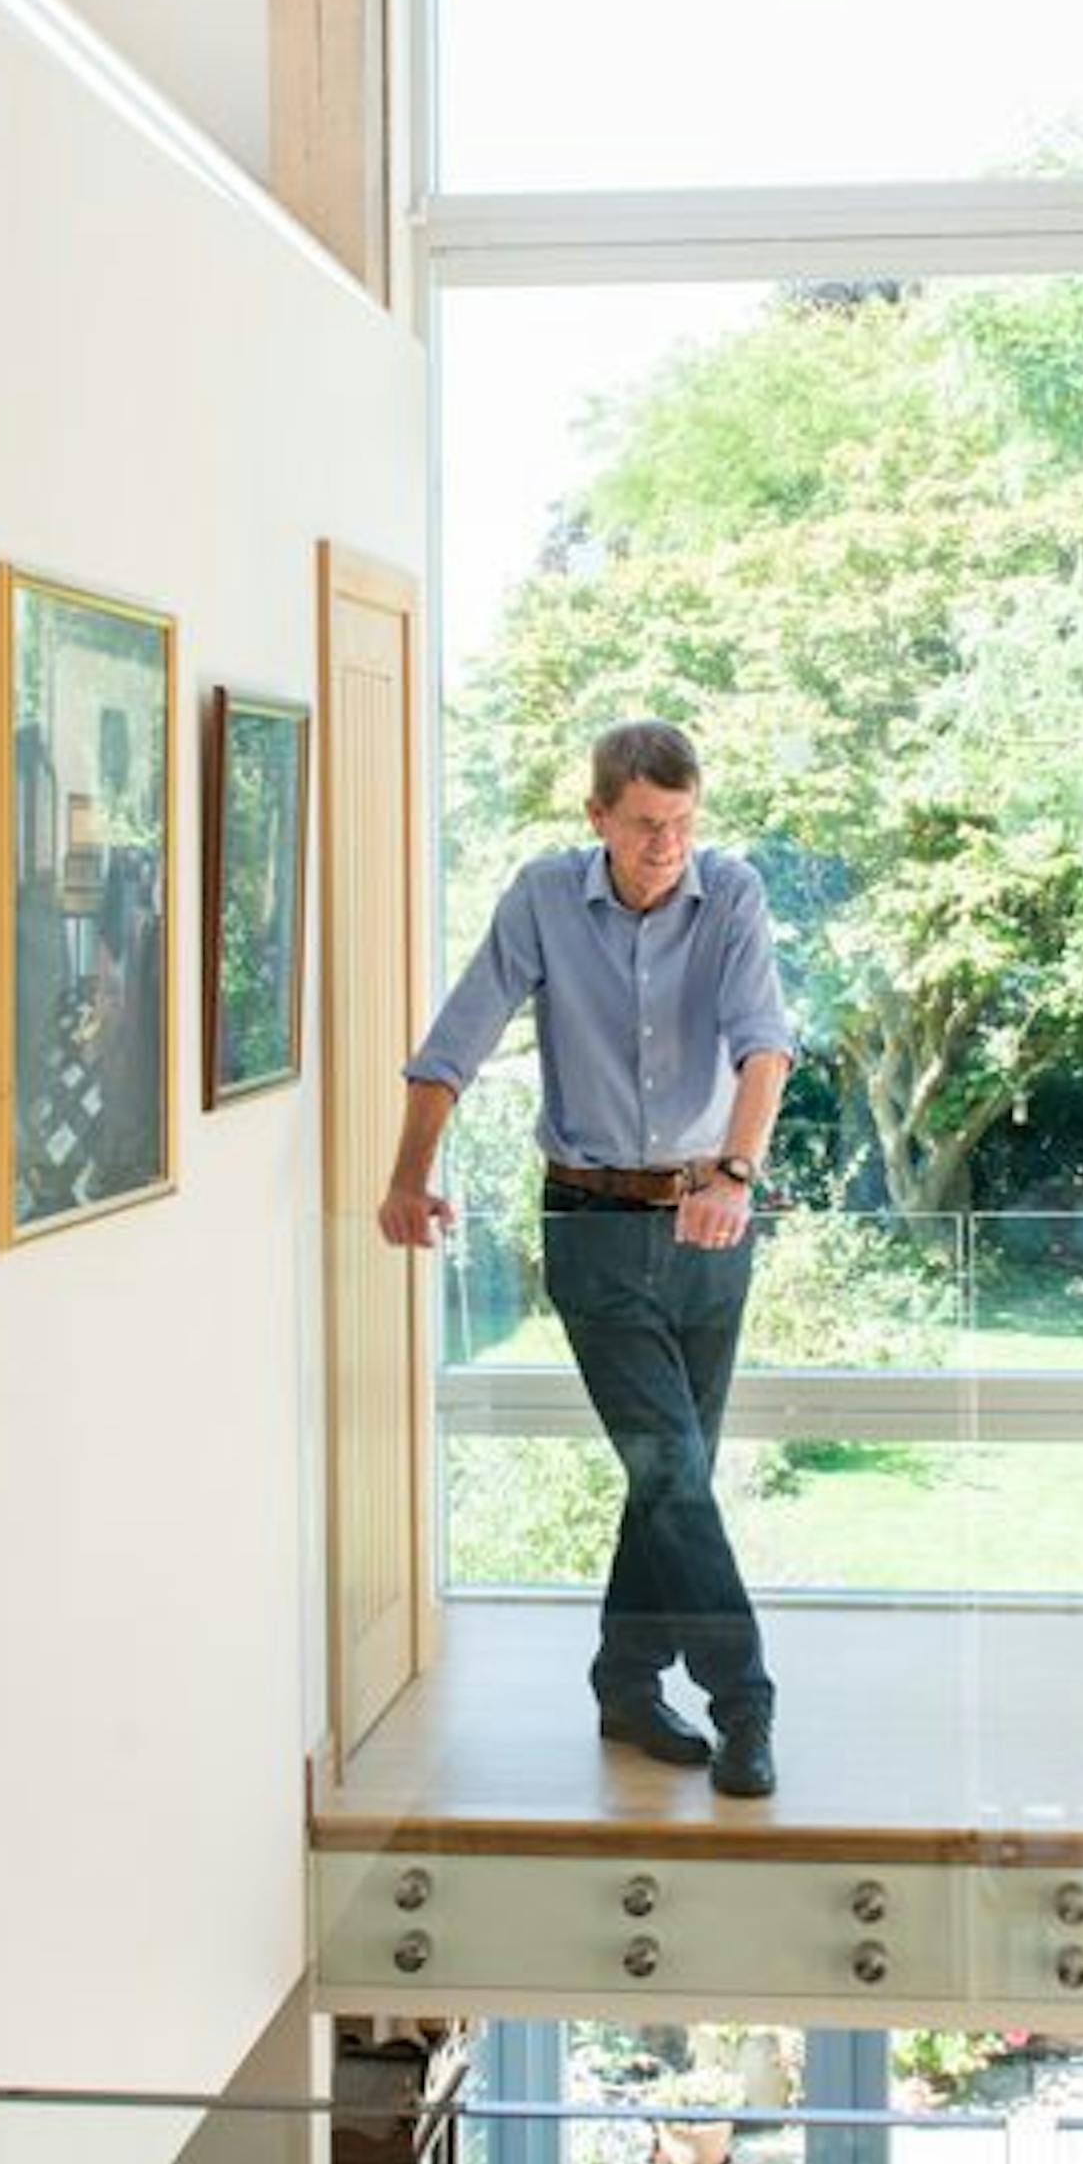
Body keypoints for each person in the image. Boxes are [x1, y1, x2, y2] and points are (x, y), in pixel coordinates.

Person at [378, 720, 794, 1798]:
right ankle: (744, 1700)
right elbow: (453, 1043)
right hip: (593, 1226)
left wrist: (733, 1176)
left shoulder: (731, 895)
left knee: (675, 1477)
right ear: (598, 815)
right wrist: (408, 1175)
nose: (670, 845)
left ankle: (624, 1679)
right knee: (667, 1468)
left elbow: (765, 1044)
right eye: (648, 824)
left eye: (685, 822)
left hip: (710, 1225)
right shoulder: (544, 897)